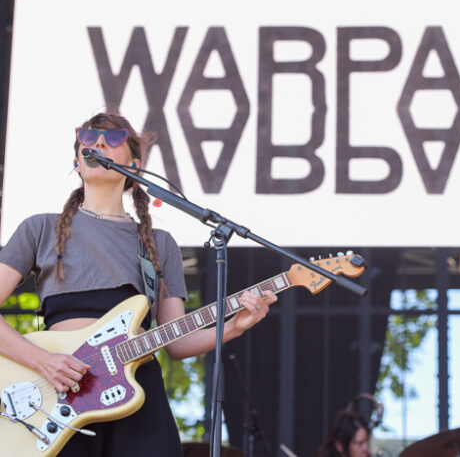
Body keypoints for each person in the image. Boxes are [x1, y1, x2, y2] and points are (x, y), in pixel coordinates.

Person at [0, 112, 277, 456]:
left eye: (113, 138)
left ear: (134, 165)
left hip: (135, 390)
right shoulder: (40, 228)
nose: (99, 143)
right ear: (77, 163)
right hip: (60, 388)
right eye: (88, 138)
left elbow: (177, 341)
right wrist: (43, 361)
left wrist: (234, 327)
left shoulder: (159, 244)